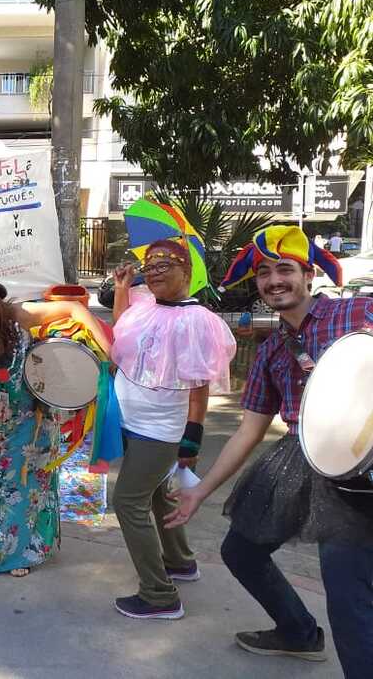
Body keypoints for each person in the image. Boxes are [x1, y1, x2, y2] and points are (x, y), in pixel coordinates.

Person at [165, 225, 372, 676]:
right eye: (264, 273)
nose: (275, 280)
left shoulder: (360, 311)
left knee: (347, 589)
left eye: (285, 269)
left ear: (309, 275)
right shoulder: (271, 351)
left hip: (361, 465)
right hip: (301, 453)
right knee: (241, 551)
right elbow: (249, 430)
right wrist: (200, 491)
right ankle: (298, 633)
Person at [0, 262, 112, 579]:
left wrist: (106, 351)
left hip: (35, 418)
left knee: (27, 486)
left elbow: (73, 308)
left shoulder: (19, 316)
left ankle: (20, 555)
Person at [109, 240, 236, 620]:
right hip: (130, 420)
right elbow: (121, 334)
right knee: (158, 496)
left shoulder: (196, 319)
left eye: (167, 263)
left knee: (128, 501)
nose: (156, 269)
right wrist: (120, 289)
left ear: (187, 270)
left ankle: (159, 595)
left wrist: (191, 441)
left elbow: (200, 388)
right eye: (151, 263)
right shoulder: (145, 304)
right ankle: (180, 562)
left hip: (160, 429)